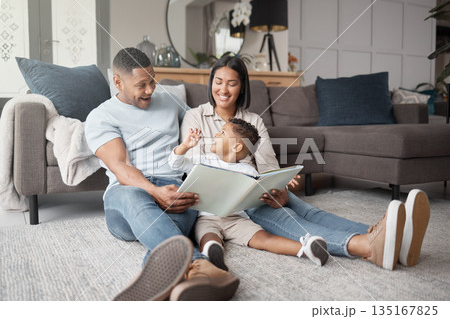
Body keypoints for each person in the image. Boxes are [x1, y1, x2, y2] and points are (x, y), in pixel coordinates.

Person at [180, 55, 431, 271]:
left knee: (308, 211)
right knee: (285, 216)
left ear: (242, 87)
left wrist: (279, 188)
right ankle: (363, 246)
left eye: (232, 83)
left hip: (254, 189)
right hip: (222, 201)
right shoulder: (195, 116)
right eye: (218, 82)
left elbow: (267, 166)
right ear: (211, 83)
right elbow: (192, 166)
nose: (223, 89)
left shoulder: (253, 120)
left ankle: (381, 234)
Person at [84, 48, 239, 301]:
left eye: (152, 81)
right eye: (141, 85)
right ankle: (202, 266)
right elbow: (121, 167)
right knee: (133, 197)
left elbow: (201, 126)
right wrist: (154, 192)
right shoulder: (101, 117)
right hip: (127, 198)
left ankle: (172, 283)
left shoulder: (170, 100)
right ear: (118, 82)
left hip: (174, 189)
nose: (150, 90)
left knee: (172, 230)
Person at [169, 118, 329, 269]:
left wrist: (281, 181)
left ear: (236, 147)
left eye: (222, 133)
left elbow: (261, 191)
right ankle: (212, 252)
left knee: (264, 238)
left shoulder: (248, 170)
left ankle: (306, 249)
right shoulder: (204, 160)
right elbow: (175, 164)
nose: (216, 134)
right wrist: (185, 146)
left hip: (237, 219)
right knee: (208, 237)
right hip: (206, 217)